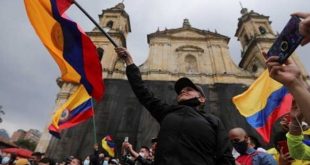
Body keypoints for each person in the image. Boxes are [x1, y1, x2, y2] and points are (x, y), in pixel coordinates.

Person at [115, 47, 234, 165]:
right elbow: (142, 91)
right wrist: (129, 62)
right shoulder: (167, 111)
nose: (183, 91)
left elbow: (225, 157)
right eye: (181, 90)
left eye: (189, 89)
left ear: (202, 98)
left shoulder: (213, 121)